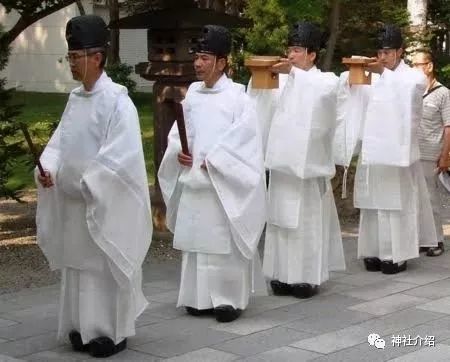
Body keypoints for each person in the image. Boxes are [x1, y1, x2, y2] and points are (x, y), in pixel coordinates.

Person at [36, 15, 152, 358]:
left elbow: (122, 156)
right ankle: (80, 326)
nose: (71, 63)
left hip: (101, 203)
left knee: (101, 267)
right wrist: (48, 170)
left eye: (76, 56)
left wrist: (90, 183)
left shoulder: (118, 101)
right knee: (77, 265)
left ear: (97, 57)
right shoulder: (75, 100)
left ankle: (108, 331)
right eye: (69, 56)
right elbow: (60, 143)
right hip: (73, 204)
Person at [158, 25, 267, 323]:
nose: (198, 63)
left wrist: (218, 160)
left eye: (205, 58)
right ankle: (197, 297)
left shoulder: (238, 97)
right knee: (196, 241)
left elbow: (244, 140)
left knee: (222, 243)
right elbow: (181, 134)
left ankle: (227, 300)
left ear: (222, 62)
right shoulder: (192, 93)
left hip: (221, 184)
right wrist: (180, 150)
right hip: (194, 180)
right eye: (197, 57)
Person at [341, 24, 438, 274]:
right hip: (373, 154)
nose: (382, 57)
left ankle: (396, 254)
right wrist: (353, 82)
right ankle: (372, 251)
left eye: (387, 52)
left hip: (397, 154)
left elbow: (410, 95)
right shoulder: (374, 76)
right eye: (380, 52)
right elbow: (357, 100)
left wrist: (384, 75)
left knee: (396, 205)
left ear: (399, 51)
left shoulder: (412, 77)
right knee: (371, 204)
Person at [261, 21, 346, 299]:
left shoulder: (326, 81)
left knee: (305, 224)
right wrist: (260, 78)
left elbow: (323, 100)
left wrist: (294, 75)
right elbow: (261, 106)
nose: (292, 55)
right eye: (290, 50)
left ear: (312, 55)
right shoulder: (283, 80)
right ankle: (280, 274)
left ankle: (306, 277)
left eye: (297, 50)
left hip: (307, 169)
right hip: (282, 165)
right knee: (280, 222)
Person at [412, 49, 450, 257]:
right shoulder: (412, 90)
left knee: (430, 197)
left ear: (429, 66)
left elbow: (448, 127)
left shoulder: (443, 93)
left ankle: (436, 239)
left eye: (418, 64)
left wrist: (445, 155)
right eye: (412, 64)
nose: (414, 68)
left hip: (430, 153)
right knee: (415, 197)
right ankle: (422, 238)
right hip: (411, 152)